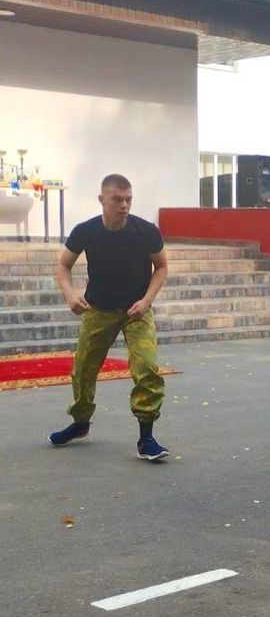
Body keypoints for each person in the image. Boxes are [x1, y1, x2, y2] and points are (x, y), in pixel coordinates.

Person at [49, 174, 170, 461]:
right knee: (83, 370)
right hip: (98, 309)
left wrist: (147, 300)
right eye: (117, 199)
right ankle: (80, 423)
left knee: (148, 368)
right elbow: (64, 265)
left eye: (128, 199)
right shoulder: (86, 231)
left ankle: (146, 438)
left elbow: (162, 267)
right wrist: (70, 294)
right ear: (102, 199)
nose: (124, 205)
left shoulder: (146, 231)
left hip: (136, 311)